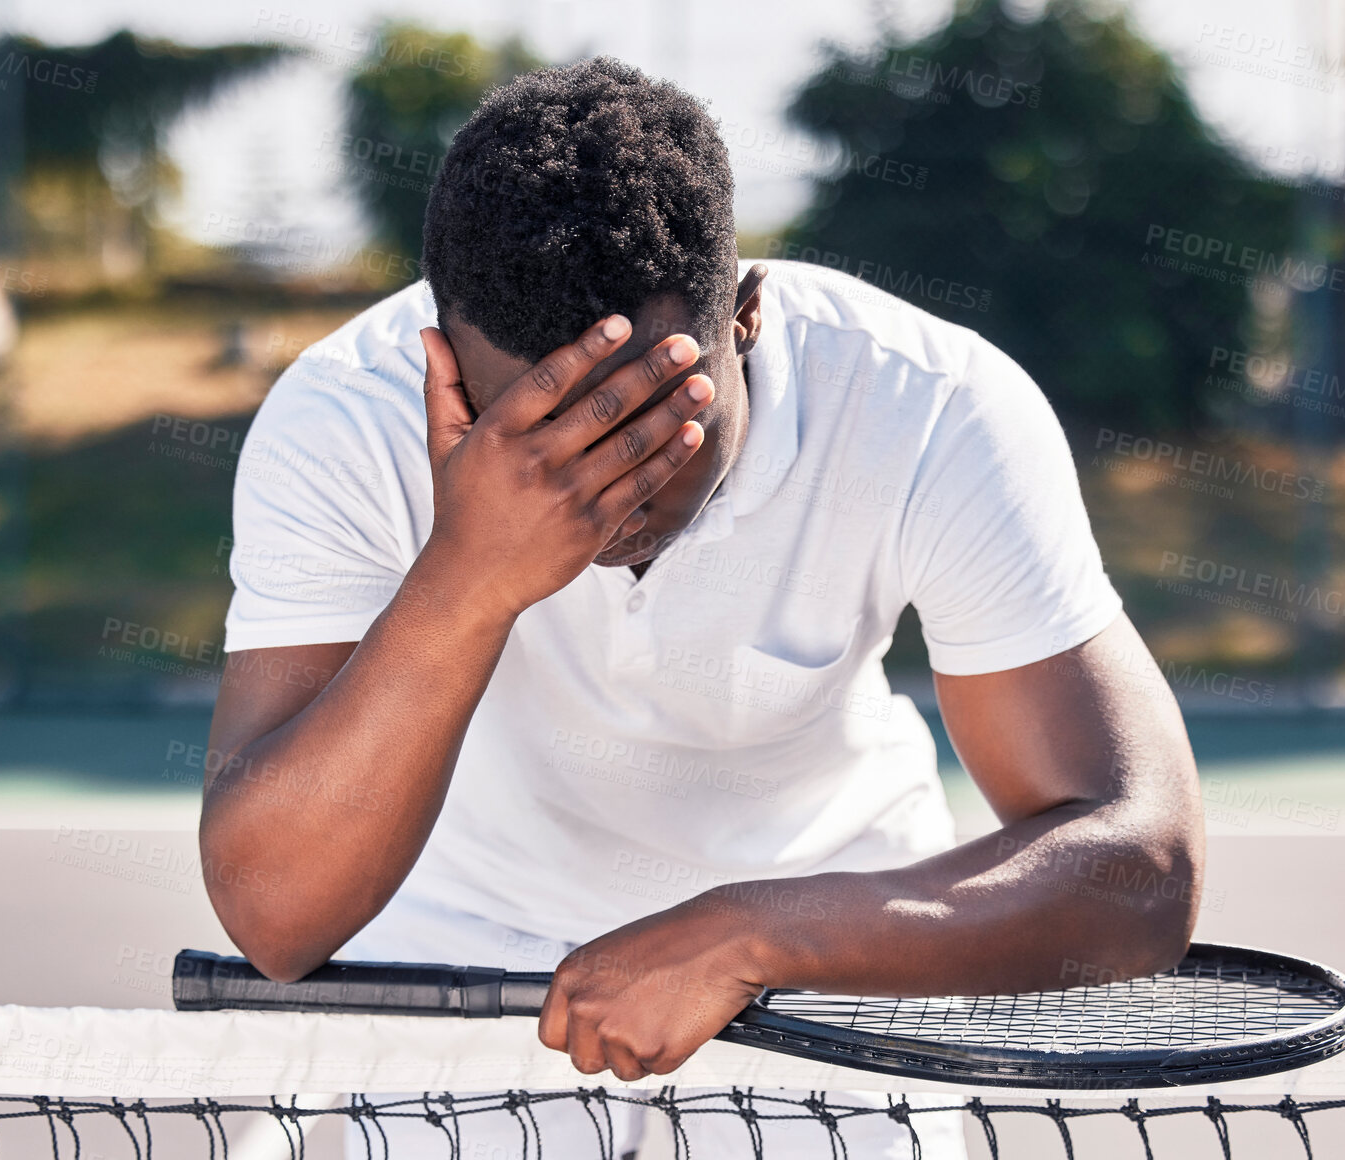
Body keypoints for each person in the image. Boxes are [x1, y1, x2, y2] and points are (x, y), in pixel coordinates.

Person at [200, 56, 1203, 1158]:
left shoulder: (929, 403)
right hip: (466, 958)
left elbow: (1138, 865)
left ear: (747, 315)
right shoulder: (343, 415)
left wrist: (750, 930)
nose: (600, 482)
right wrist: (471, 574)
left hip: (822, 951)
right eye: (536, 433)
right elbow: (276, 913)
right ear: (439, 360)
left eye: (649, 419)